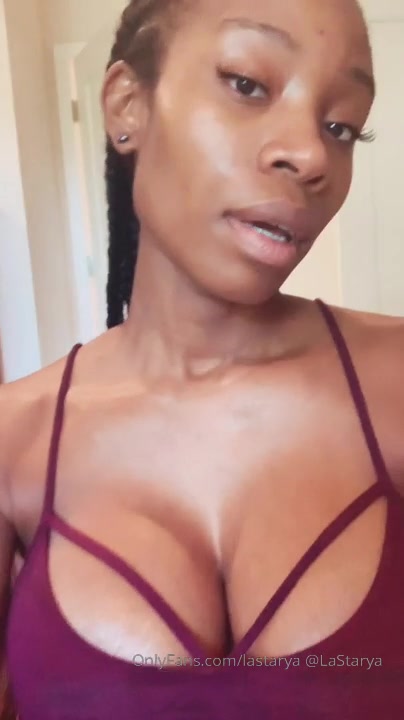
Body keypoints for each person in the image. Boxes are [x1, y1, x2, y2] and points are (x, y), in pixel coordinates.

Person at [1, 0, 404, 717]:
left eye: (340, 126)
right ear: (127, 104)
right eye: (248, 84)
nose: (311, 155)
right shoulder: (15, 441)